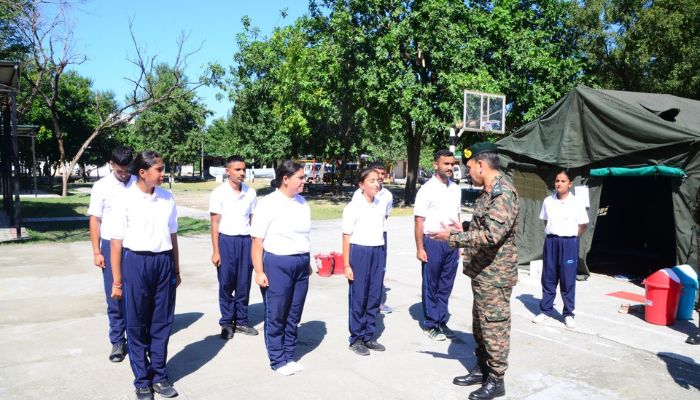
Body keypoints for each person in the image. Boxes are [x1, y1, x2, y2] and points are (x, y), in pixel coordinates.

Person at [429, 142, 519, 400]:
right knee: (481, 326)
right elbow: (485, 224)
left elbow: (492, 235)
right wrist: (466, 225)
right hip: (483, 272)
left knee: (495, 326)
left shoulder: (503, 193)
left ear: (481, 164)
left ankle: (497, 379)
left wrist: (455, 237)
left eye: (469, 167)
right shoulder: (488, 191)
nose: (467, 172)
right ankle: (482, 369)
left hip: (496, 274)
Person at [110, 151, 181, 400]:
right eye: (159, 170)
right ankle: (142, 380)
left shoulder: (167, 198)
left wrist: (176, 268)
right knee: (138, 324)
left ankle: (159, 376)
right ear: (143, 172)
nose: (163, 173)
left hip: (163, 262)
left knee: (162, 322)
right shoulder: (125, 199)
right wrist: (117, 281)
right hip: (136, 263)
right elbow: (116, 243)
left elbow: (172, 236)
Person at [251, 160, 311, 376]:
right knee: (277, 314)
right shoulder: (268, 203)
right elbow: (257, 241)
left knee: (294, 313)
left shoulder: (302, 202)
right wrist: (259, 271)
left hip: (301, 263)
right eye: (300, 177)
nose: (305, 181)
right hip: (277, 264)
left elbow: (303, 236)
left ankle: (289, 354)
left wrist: (307, 262)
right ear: (285, 179)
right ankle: (277, 359)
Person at [87, 145, 136, 362]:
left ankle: (135, 336)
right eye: (120, 171)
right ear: (111, 165)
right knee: (114, 295)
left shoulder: (138, 183)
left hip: (135, 246)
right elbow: (95, 220)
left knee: (136, 293)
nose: (124, 175)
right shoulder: (101, 187)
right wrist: (97, 251)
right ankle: (118, 340)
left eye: (127, 170)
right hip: (109, 244)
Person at [414, 149, 462, 341]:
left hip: (451, 243)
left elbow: (458, 218)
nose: (450, 167)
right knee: (431, 284)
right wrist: (420, 248)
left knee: (446, 284)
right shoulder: (426, 190)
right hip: (432, 242)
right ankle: (431, 324)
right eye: (446, 164)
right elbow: (418, 221)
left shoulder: (456, 189)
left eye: (452, 164)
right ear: (436, 165)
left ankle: (442, 320)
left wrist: (459, 244)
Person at [209, 155, 258, 339]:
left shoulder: (250, 193)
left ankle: (242, 321)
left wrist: (255, 248)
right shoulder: (219, 193)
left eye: (243, 169)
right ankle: (227, 322)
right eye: (237, 169)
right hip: (226, 241)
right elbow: (215, 224)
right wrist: (216, 251)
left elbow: (254, 222)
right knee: (226, 284)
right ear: (227, 171)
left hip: (246, 242)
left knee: (243, 283)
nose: (241, 173)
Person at [532, 170, 589, 329]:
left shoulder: (576, 202)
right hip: (551, 241)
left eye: (563, 181)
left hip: (569, 243)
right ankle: (546, 311)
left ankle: (568, 314)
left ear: (570, 184)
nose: (559, 184)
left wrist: (571, 237)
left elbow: (583, 224)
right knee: (548, 276)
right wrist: (555, 234)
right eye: (557, 180)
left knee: (567, 279)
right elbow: (545, 221)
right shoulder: (548, 201)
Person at [344, 167, 388, 356]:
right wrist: (346, 264)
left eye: (378, 180)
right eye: (371, 181)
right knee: (359, 297)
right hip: (359, 252)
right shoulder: (353, 207)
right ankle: (356, 338)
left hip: (377, 250)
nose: (376, 183)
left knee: (374, 295)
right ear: (361, 185)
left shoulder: (380, 203)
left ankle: (369, 335)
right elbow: (346, 237)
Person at [351, 161, 393, 314]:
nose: (380, 178)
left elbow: (385, 216)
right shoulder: (358, 195)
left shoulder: (387, 195)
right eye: (376, 175)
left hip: (380, 235)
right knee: (362, 277)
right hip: (362, 241)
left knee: (379, 271)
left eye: (382, 174)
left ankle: (377, 303)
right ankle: (362, 305)